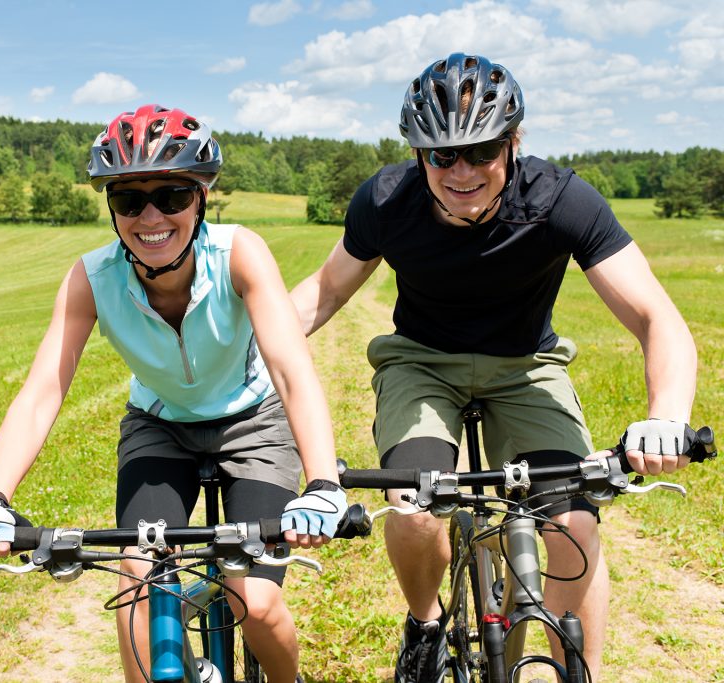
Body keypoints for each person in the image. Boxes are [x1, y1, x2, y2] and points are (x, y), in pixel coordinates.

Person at [289, 54, 697, 682]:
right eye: (441, 155)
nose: (461, 171)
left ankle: (573, 670)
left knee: (571, 517)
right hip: (421, 363)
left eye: (481, 151)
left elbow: (654, 316)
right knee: (415, 501)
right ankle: (425, 626)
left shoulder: (560, 200)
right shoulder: (386, 200)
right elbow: (326, 291)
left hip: (526, 365)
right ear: (417, 154)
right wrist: (247, 357)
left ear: (513, 142)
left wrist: (667, 414)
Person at [0, 104, 347, 683]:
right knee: (137, 592)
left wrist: (322, 486)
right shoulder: (91, 278)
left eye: (171, 196)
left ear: (200, 201)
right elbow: (43, 390)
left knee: (256, 603)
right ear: (112, 210)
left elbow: (291, 370)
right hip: (160, 426)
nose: (151, 216)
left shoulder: (239, 253)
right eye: (128, 200)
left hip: (256, 421)